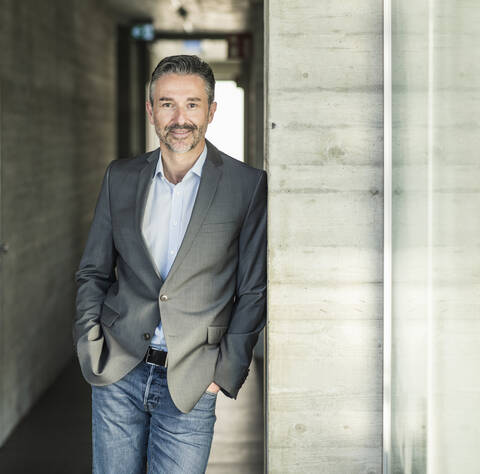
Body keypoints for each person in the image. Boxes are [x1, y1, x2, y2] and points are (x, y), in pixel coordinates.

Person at [73, 54, 267, 474]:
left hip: (194, 378)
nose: (180, 118)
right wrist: (91, 345)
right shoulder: (120, 177)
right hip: (118, 370)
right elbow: (94, 270)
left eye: (192, 104)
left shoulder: (246, 186)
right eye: (167, 104)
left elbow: (253, 291)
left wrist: (225, 372)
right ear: (151, 111)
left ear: (212, 111)